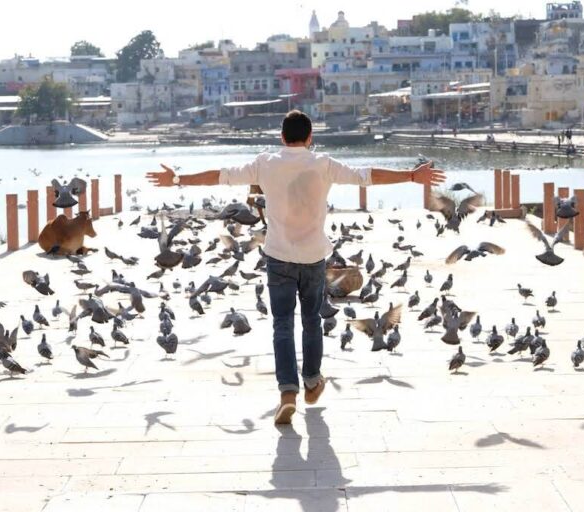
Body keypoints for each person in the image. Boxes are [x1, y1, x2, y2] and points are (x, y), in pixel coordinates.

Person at [146, 110, 446, 425]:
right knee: (312, 321)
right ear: (310, 137)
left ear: (282, 137)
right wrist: (412, 176)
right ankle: (313, 382)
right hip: (314, 257)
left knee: (282, 326)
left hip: (278, 257)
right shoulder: (323, 164)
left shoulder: (264, 164)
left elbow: (220, 175)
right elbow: (366, 176)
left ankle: (288, 392)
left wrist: (177, 180)